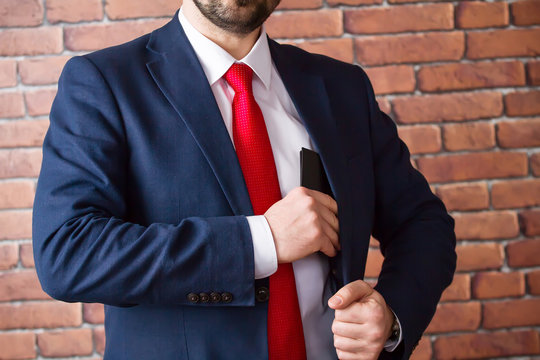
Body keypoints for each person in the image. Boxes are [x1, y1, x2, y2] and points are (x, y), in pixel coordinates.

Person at [32, 0, 457, 358]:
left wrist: (391, 316)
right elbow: (66, 252)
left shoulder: (342, 87)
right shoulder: (103, 83)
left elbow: (423, 223)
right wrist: (263, 240)